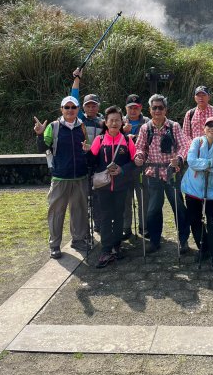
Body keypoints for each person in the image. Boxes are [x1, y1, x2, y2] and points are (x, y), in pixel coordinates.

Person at [34, 95, 90, 259]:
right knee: (56, 212)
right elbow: (43, 147)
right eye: (67, 107)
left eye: (73, 107)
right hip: (60, 178)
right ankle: (55, 245)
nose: (70, 110)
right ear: (62, 109)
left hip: (79, 176)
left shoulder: (82, 127)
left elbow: (85, 147)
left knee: (79, 211)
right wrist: (39, 134)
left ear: (78, 110)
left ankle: (78, 240)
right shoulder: (54, 126)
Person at [134, 94, 190, 254]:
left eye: (160, 107)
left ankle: (183, 240)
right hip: (153, 174)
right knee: (153, 209)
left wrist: (179, 158)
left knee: (178, 207)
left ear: (165, 109)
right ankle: (154, 240)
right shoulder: (145, 128)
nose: (157, 110)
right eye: (154, 108)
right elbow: (140, 148)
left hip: (172, 172)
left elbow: (184, 145)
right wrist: (139, 157)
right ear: (150, 110)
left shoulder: (174, 127)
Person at [181, 117, 213, 277]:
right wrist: (212, 163)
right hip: (192, 188)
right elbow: (191, 162)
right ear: (204, 128)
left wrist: (212, 167)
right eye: (209, 125)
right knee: (194, 220)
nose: (212, 128)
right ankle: (204, 249)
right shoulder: (197, 142)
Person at [88, 105, 136, 268]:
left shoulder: (128, 140)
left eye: (117, 120)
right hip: (103, 187)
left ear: (122, 122)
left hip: (121, 187)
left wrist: (123, 169)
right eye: (111, 120)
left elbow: (134, 162)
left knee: (119, 216)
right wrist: (86, 153)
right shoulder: (99, 140)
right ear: (106, 123)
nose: (114, 123)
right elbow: (91, 162)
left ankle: (117, 246)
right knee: (106, 217)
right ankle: (106, 250)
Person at [71, 68, 105, 234]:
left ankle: (98, 224)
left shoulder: (102, 122)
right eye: (88, 105)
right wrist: (77, 79)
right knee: (82, 198)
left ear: (98, 106)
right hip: (82, 164)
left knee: (98, 196)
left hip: (98, 164)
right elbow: (73, 98)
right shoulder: (79, 119)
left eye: (94, 105)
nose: (91, 108)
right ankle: (83, 229)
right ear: (82, 107)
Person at [122, 94, 149, 240]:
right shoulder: (119, 122)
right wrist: (123, 133)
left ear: (141, 108)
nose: (133, 111)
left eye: (136, 108)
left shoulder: (147, 122)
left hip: (142, 166)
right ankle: (126, 227)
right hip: (125, 166)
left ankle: (144, 226)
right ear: (126, 108)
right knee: (125, 198)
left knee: (144, 197)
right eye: (130, 108)